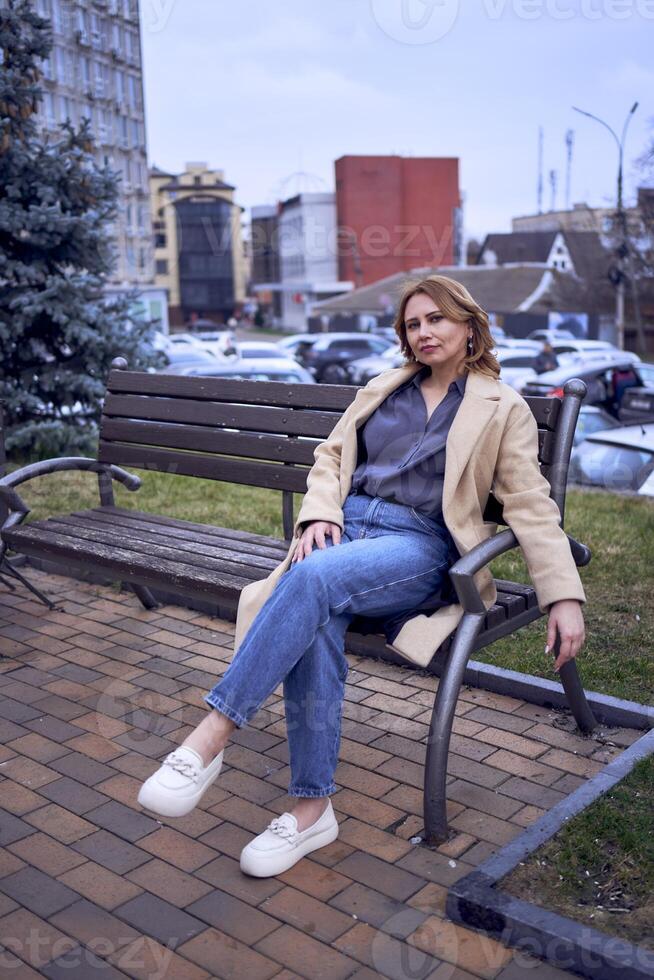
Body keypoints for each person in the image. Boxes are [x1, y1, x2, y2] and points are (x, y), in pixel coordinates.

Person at [137, 275, 587, 878]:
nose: (423, 333)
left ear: (469, 325)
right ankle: (310, 810)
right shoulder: (384, 389)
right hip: (344, 528)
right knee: (318, 618)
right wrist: (320, 511)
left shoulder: (502, 407)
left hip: (418, 545)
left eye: (436, 320)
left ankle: (210, 736)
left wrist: (562, 596)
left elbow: (530, 504)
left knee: (314, 581)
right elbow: (330, 457)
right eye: (412, 324)